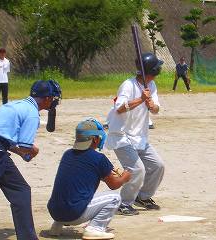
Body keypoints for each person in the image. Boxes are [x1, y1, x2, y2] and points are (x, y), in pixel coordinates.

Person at [0, 80, 62, 240]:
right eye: (53, 98)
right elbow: (25, 146)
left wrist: (22, 153)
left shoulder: (17, 104)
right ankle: (27, 237)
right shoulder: (32, 113)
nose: (54, 101)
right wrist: (32, 151)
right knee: (21, 191)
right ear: (47, 99)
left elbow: (4, 138)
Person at [47, 118, 131, 239]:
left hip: (54, 212)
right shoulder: (99, 158)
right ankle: (94, 228)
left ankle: (57, 226)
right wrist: (125, 177)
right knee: (115, 198)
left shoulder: (67, 154)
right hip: (74, 214)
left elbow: (82, 172)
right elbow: (114, 185)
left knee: (70, 192)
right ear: (95, 139)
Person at [105, 52, 165, 216]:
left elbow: (156, 109)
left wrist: (152, 105)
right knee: (137, 170)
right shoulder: (128, 85)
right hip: (121, 136)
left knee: (157, 166)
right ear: (154, 70)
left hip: (140, 137)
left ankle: (143, 197)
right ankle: (124, 203)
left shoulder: (151, 86)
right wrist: (140, 99)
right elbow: (120, 107)